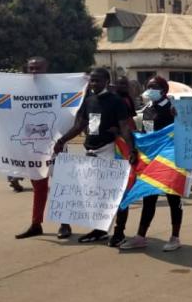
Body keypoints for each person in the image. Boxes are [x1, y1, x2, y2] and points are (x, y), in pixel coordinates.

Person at [54, 68, 136, 243]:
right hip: (90, 152)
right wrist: (62, 141)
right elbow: (79, 126)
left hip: (109, 151)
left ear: (107, 81)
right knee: (95, 195)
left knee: (116, 194)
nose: (93, 84)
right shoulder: (89, 101)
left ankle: (119, 232)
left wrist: (132, 150)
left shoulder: (116, 102)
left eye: (97, 80)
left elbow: (124, 127)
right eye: (91, 81)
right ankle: (100, 230)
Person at [118, 76, 183, 252]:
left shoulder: (173, 109)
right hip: (151, 161)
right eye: (148, 86)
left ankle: (175, 237)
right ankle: (140, 237)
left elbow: (184, 128)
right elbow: (146, 134)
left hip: (170, 160)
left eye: (154, 87)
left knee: (173, 198)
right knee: (149, 198)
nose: (150, 90)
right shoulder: (147, 109)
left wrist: (180, 118)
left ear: (164, 90)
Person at [14, 56, 72, 240]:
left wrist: (83, 82)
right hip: (33, 146)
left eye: (38, 68)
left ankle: (64, 224)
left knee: (60, 185)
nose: (34, 72)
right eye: (31, 68)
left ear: (46, 68)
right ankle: (36, 223)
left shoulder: (58, 87)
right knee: (39, 186)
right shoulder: (20, 88)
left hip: (56, 145)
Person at [109, 76, 140, 247]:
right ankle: (103, 228)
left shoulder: (124, 101)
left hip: (122, 147)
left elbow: (128, 124)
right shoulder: (109, 100)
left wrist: (130, 144)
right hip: (107, 148)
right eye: (118, 84)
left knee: (122, 193)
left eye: (124, 84)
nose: (121, 87)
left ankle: (118, 231)